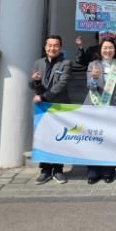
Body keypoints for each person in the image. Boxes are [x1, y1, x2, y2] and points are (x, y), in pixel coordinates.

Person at [30, 35, 72, 185]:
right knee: (44, 138)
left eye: (56, 45)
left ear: (60, 48)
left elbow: (61, 84)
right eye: (50, 45)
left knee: (59, 138)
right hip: (43, 108)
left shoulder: (66, 63)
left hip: (59, 106)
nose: (52, 48)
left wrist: (43, 97)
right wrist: (35, 81)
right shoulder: (38, 63)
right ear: (45, 47)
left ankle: (58, 170)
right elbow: (33, 85)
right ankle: (45, 170)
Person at [84, 39, 116, 184]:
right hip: (95, 105)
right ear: (100, 50)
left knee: (110, 139)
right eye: (105, 48)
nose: (108, 50)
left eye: (110, 48)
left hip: (113, 106)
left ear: (115, 50)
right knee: (94, 139)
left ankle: (108, 171)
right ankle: (93, 172)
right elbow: (90, 86)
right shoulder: (93, 65)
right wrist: (94, 78)